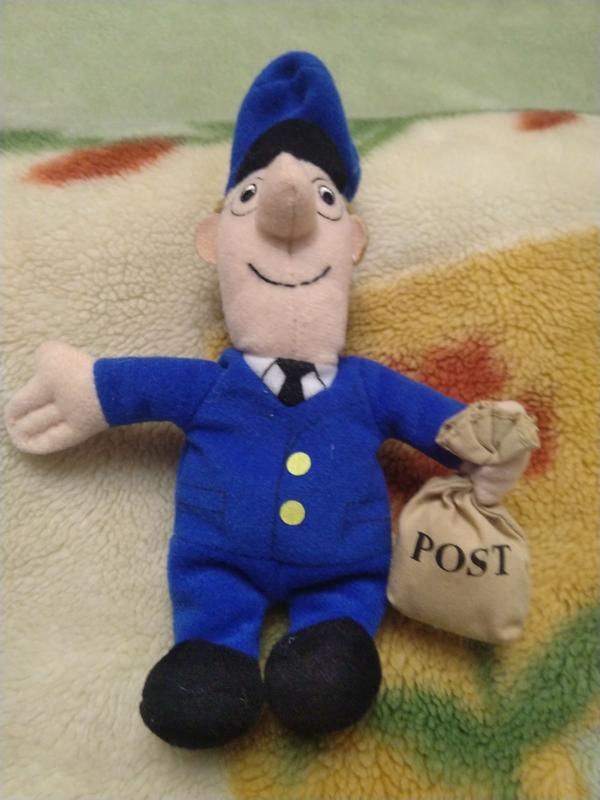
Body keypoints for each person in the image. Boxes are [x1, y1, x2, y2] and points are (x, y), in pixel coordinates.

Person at [5, 52, 528, 748]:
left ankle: (330, 647)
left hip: (343, 568)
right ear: (212, 241)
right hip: (218, 560)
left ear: (353, 243)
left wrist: (485, 442)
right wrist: (90, 388)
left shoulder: (368, 388)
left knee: (330, 668)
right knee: (205, 652)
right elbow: (146, 387)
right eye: (249, 198)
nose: (288, 206)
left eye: (325, 200)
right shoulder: (213, 385)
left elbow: (446, 425)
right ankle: (211, 653)